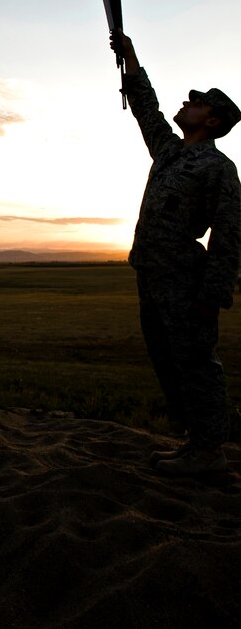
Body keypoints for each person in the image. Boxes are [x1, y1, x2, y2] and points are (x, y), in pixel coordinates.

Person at [112, 29, 241, 476]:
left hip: (186, 281)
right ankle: (193, 441)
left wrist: (214, 294)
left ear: (214, 122)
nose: (187, 102)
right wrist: (130, 57)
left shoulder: (219, 169)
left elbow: (228, 236)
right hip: (150, 276)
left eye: (198, 102)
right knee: (167, 361)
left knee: (197, 363)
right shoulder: (168, 152)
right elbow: (146, 108)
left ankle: (210, 449)